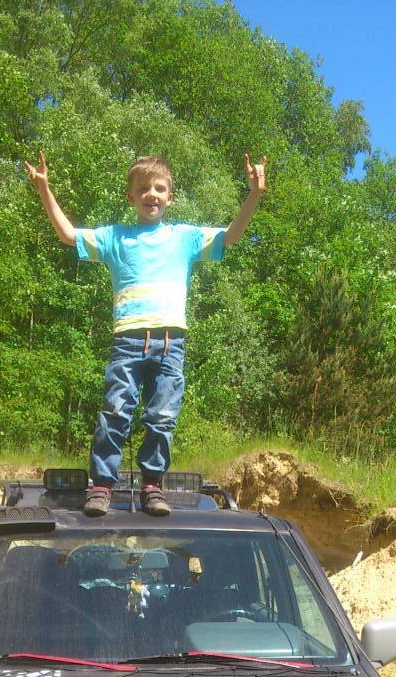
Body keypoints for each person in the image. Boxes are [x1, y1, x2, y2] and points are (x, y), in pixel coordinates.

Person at [25, 151, 266, 516]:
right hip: (128, 341)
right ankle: (102, 486)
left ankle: (152, 486)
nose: (152, 194)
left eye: (160, 188)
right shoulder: (115, 238)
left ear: (170, 197)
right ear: (131, 197)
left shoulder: (184, 237)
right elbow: (67, 235)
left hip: (171, 343)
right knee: (115, 413)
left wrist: (255, 193)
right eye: (143, 189)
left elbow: (231, 236)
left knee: (162, 418)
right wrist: (44, 188)